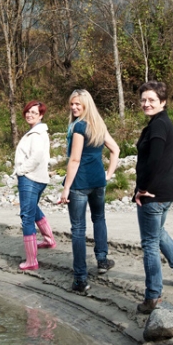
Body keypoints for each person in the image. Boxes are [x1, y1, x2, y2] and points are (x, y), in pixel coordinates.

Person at [133, 81, 173, 314]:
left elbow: (156, 160)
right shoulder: (164, 123)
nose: (146, 104)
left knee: (149, 243)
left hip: (153, 195)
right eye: (144, 100)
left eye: (151, 100)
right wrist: (169, 179)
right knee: (158, 234)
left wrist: (143, 188)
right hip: (165, 192)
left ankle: (153, 296)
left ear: (163, 102)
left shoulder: (158, 126)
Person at [58, 89, 119, 294]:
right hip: (98, 182)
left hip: (80, 183)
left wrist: (66, 187)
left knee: (78, 229)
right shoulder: (98, 125)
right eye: (72, 104)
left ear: (86, 105)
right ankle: (102, 260)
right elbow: (115, 149)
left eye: (78, 104)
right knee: (99, 219)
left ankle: (80, 279)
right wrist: (108, 174)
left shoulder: (79, 127)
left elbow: (74, 159)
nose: (74, 107)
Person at [14, 100, 56, 271]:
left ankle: (31, 260)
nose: (29, 114)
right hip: (36, 178)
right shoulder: (36, 132)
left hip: (30, 178)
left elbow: (37, 157)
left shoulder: (37, 134)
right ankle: (49, 239)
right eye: (28, 112)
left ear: (41, 115)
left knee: (27, 217)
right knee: (33, 209)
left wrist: (21, 171)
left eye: (34, 112)